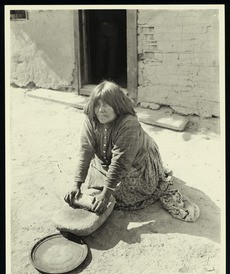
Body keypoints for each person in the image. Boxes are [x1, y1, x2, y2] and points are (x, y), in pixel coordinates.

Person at [64, 81, 199, 221]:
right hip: (108, 158)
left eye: (106, 104)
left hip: (137, 160)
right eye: (97, 104)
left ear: (117, 106)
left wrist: (105, 195)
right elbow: (86, 151)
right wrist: (76, 184)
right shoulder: (91, 118)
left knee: (124, 192)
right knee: (100, 183)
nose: (100, 110)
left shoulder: (128, 123)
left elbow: (120, 162)